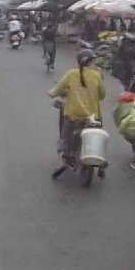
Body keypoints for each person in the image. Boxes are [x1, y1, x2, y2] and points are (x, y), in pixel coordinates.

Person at [49, 49, 107, 179]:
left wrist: (51, 93)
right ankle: (101, 162)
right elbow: (102, 95)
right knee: (99, 134)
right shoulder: (97, 75)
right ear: (91, 62)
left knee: (65, 137)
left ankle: (65, 157)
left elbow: (55, 91)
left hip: (73, 116)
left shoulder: (71, 74)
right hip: (93, 117)